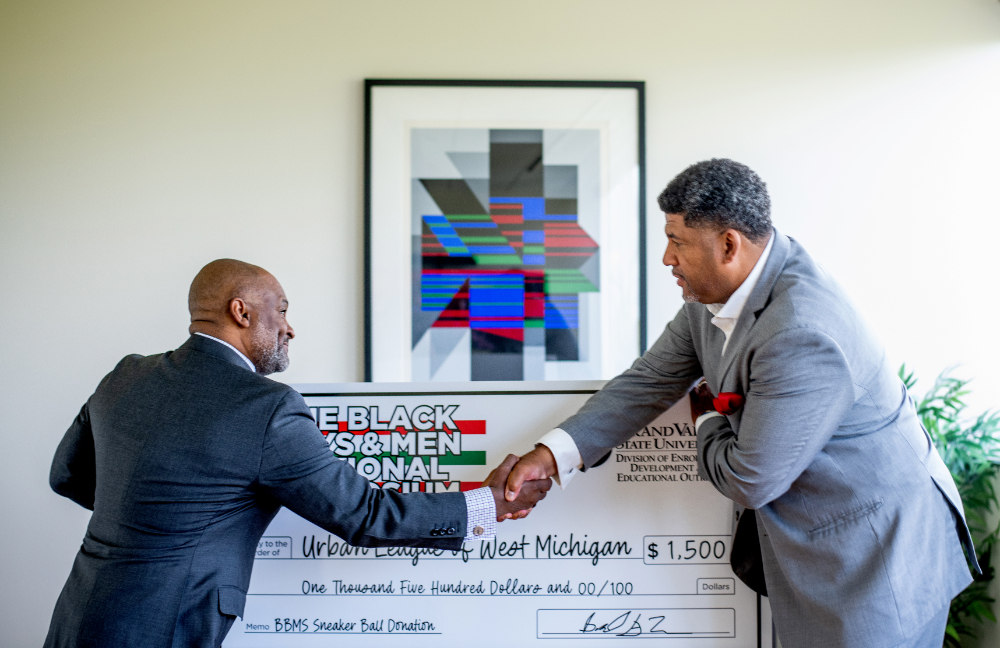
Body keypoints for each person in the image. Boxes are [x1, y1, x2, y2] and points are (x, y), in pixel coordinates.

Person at [503, 159, 977, 648]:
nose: (667, 258)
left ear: (729, 245)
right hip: (818, 546)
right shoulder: (714, 295)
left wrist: (706, 415)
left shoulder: (801, 331)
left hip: (875, 558)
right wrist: (550, 456)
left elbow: (750, 479)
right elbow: (651, 379)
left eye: (677, 241)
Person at [45, 259, 551, 648]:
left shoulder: (126, 375)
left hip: (76, 615)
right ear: (241, 311)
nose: (290, 327)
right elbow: (364, 514)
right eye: (282, 310)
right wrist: (488, 503)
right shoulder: (263, 407)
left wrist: (160, 520)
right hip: (167, 626)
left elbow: (66, 476)